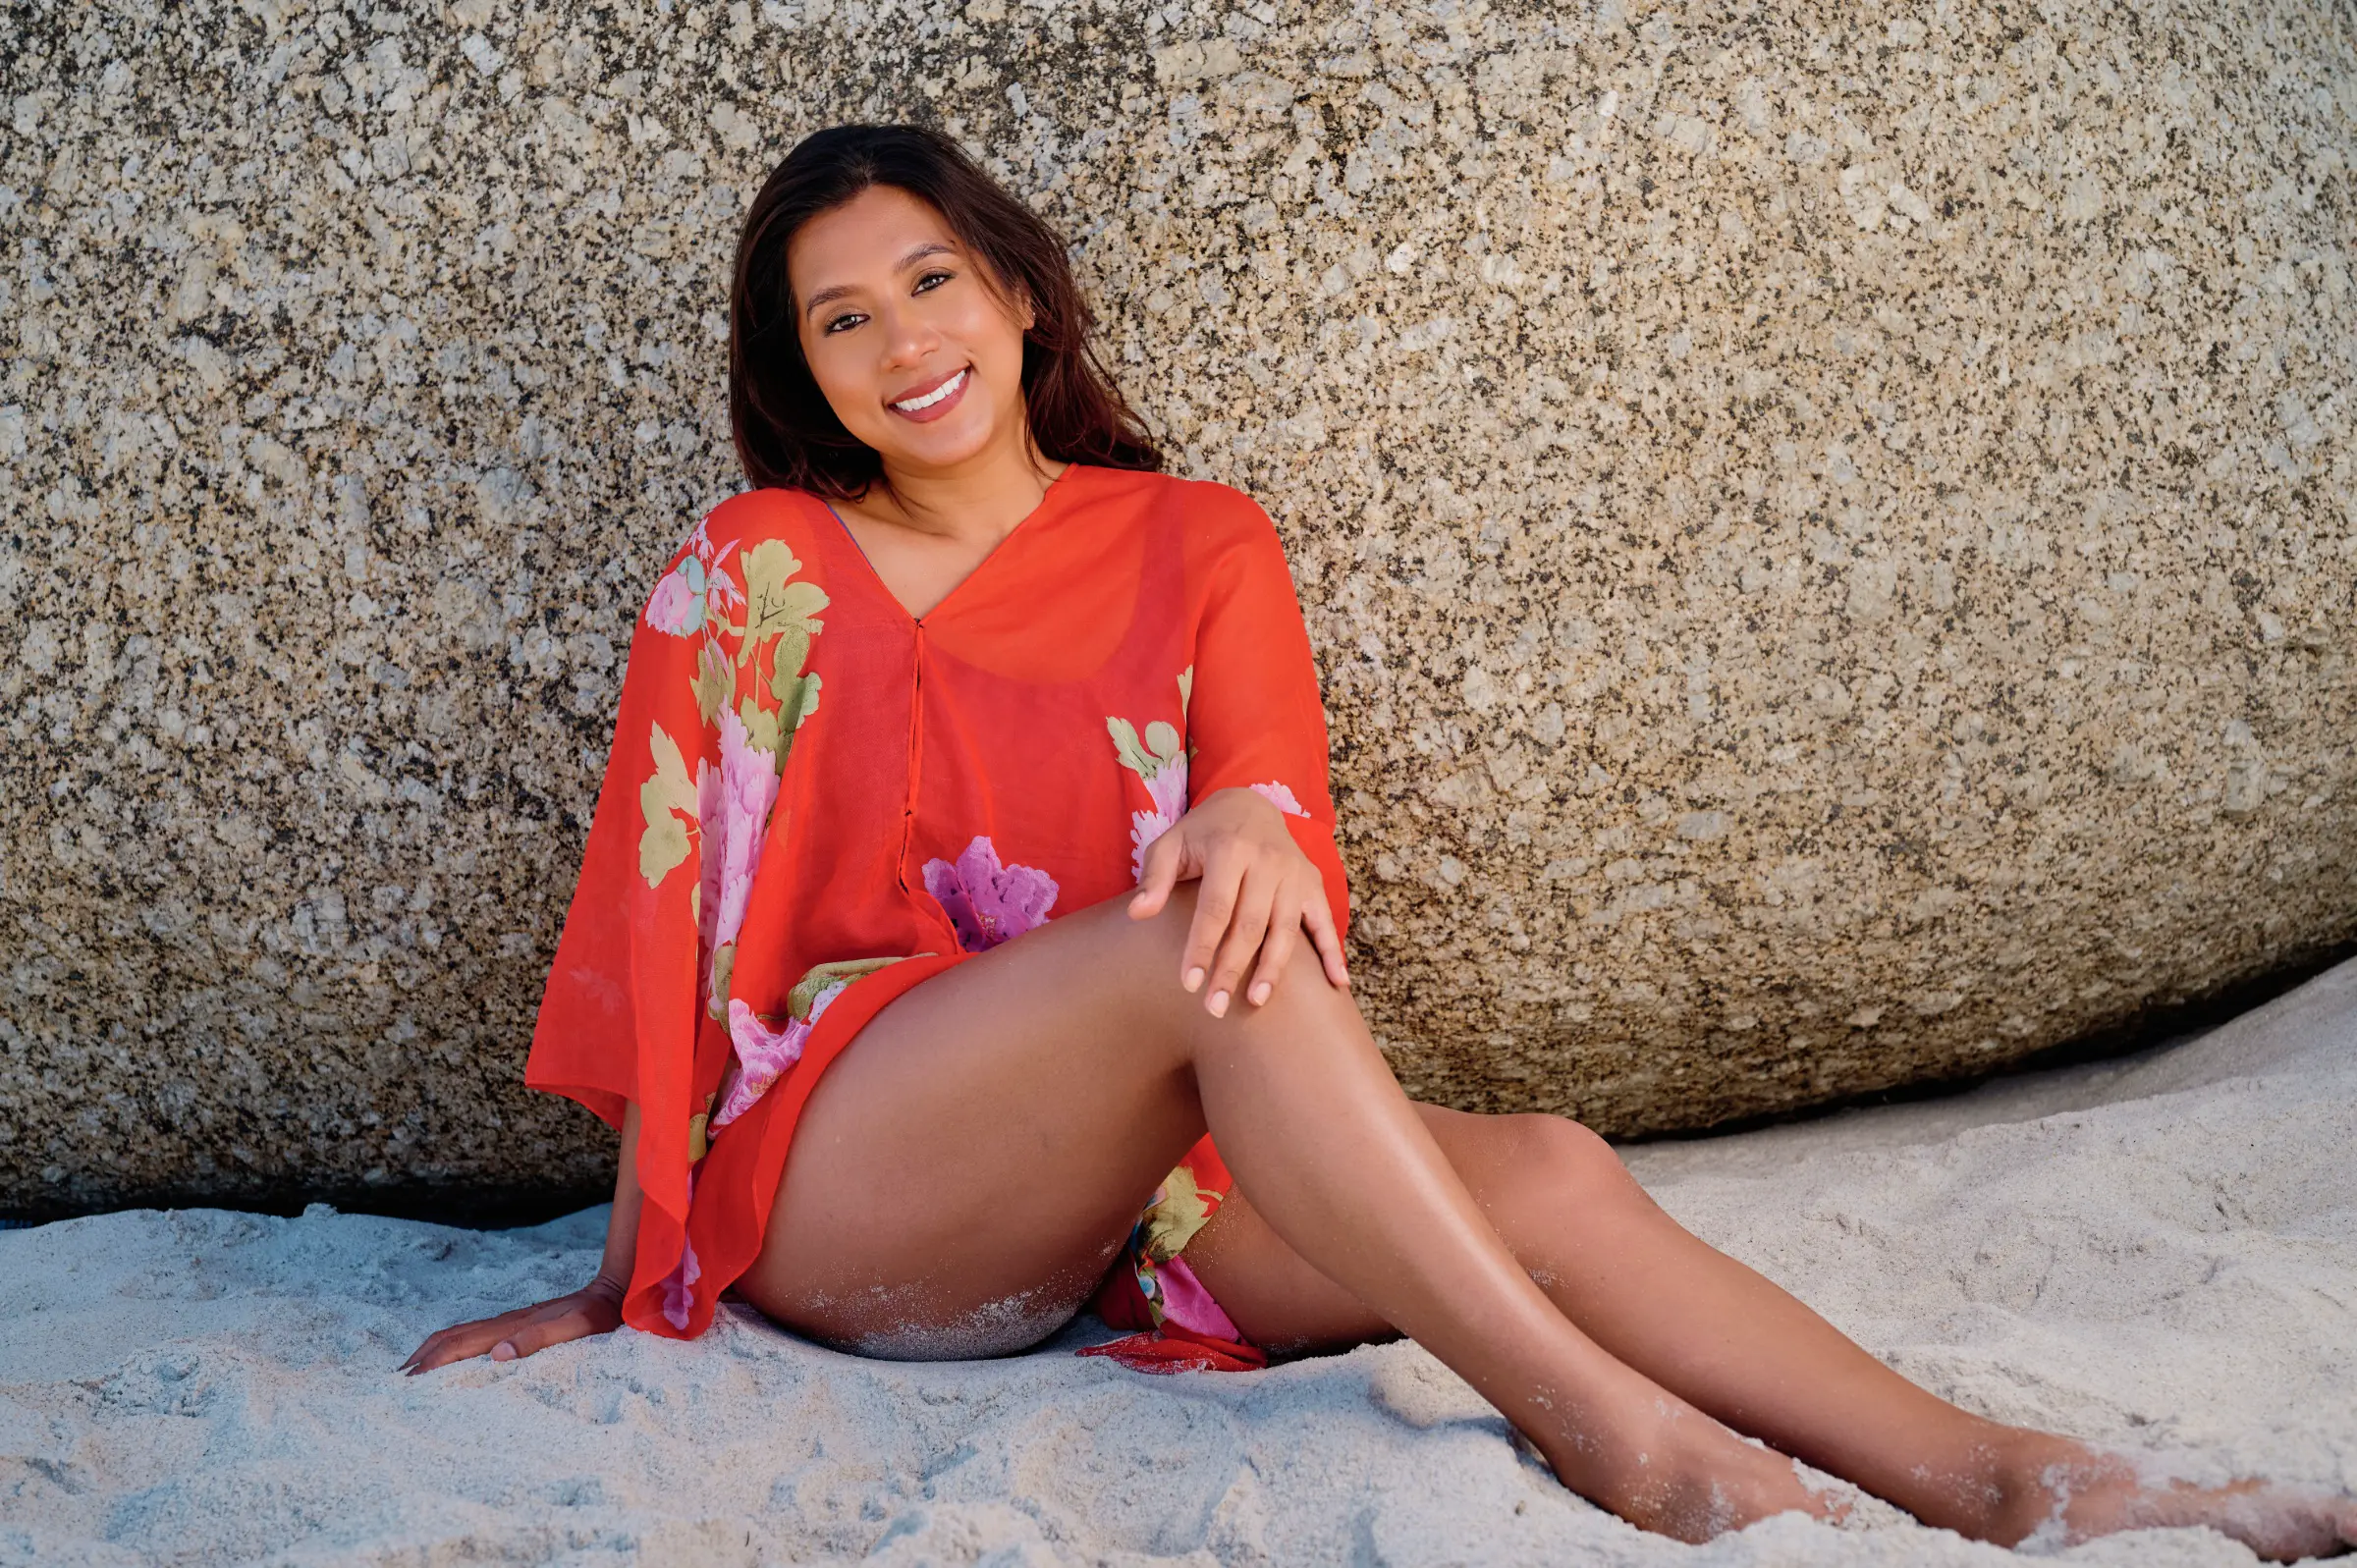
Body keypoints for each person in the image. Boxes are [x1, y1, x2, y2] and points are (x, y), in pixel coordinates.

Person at [402, 123, 2355, 1556]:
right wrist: (622, 1263)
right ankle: (1612, 1433)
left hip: (1118, 1198)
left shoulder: (1194, 539)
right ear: (802, 372)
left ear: (1012, 288)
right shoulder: (757, 568)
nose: (903, 340)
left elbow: (1272, 799)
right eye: (842, 319)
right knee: (1202, 942)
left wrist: (1254, 814)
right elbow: (669, 910)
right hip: (848, 1185)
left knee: (1558, 1173)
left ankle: (2000, 1475)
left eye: (931, 280)